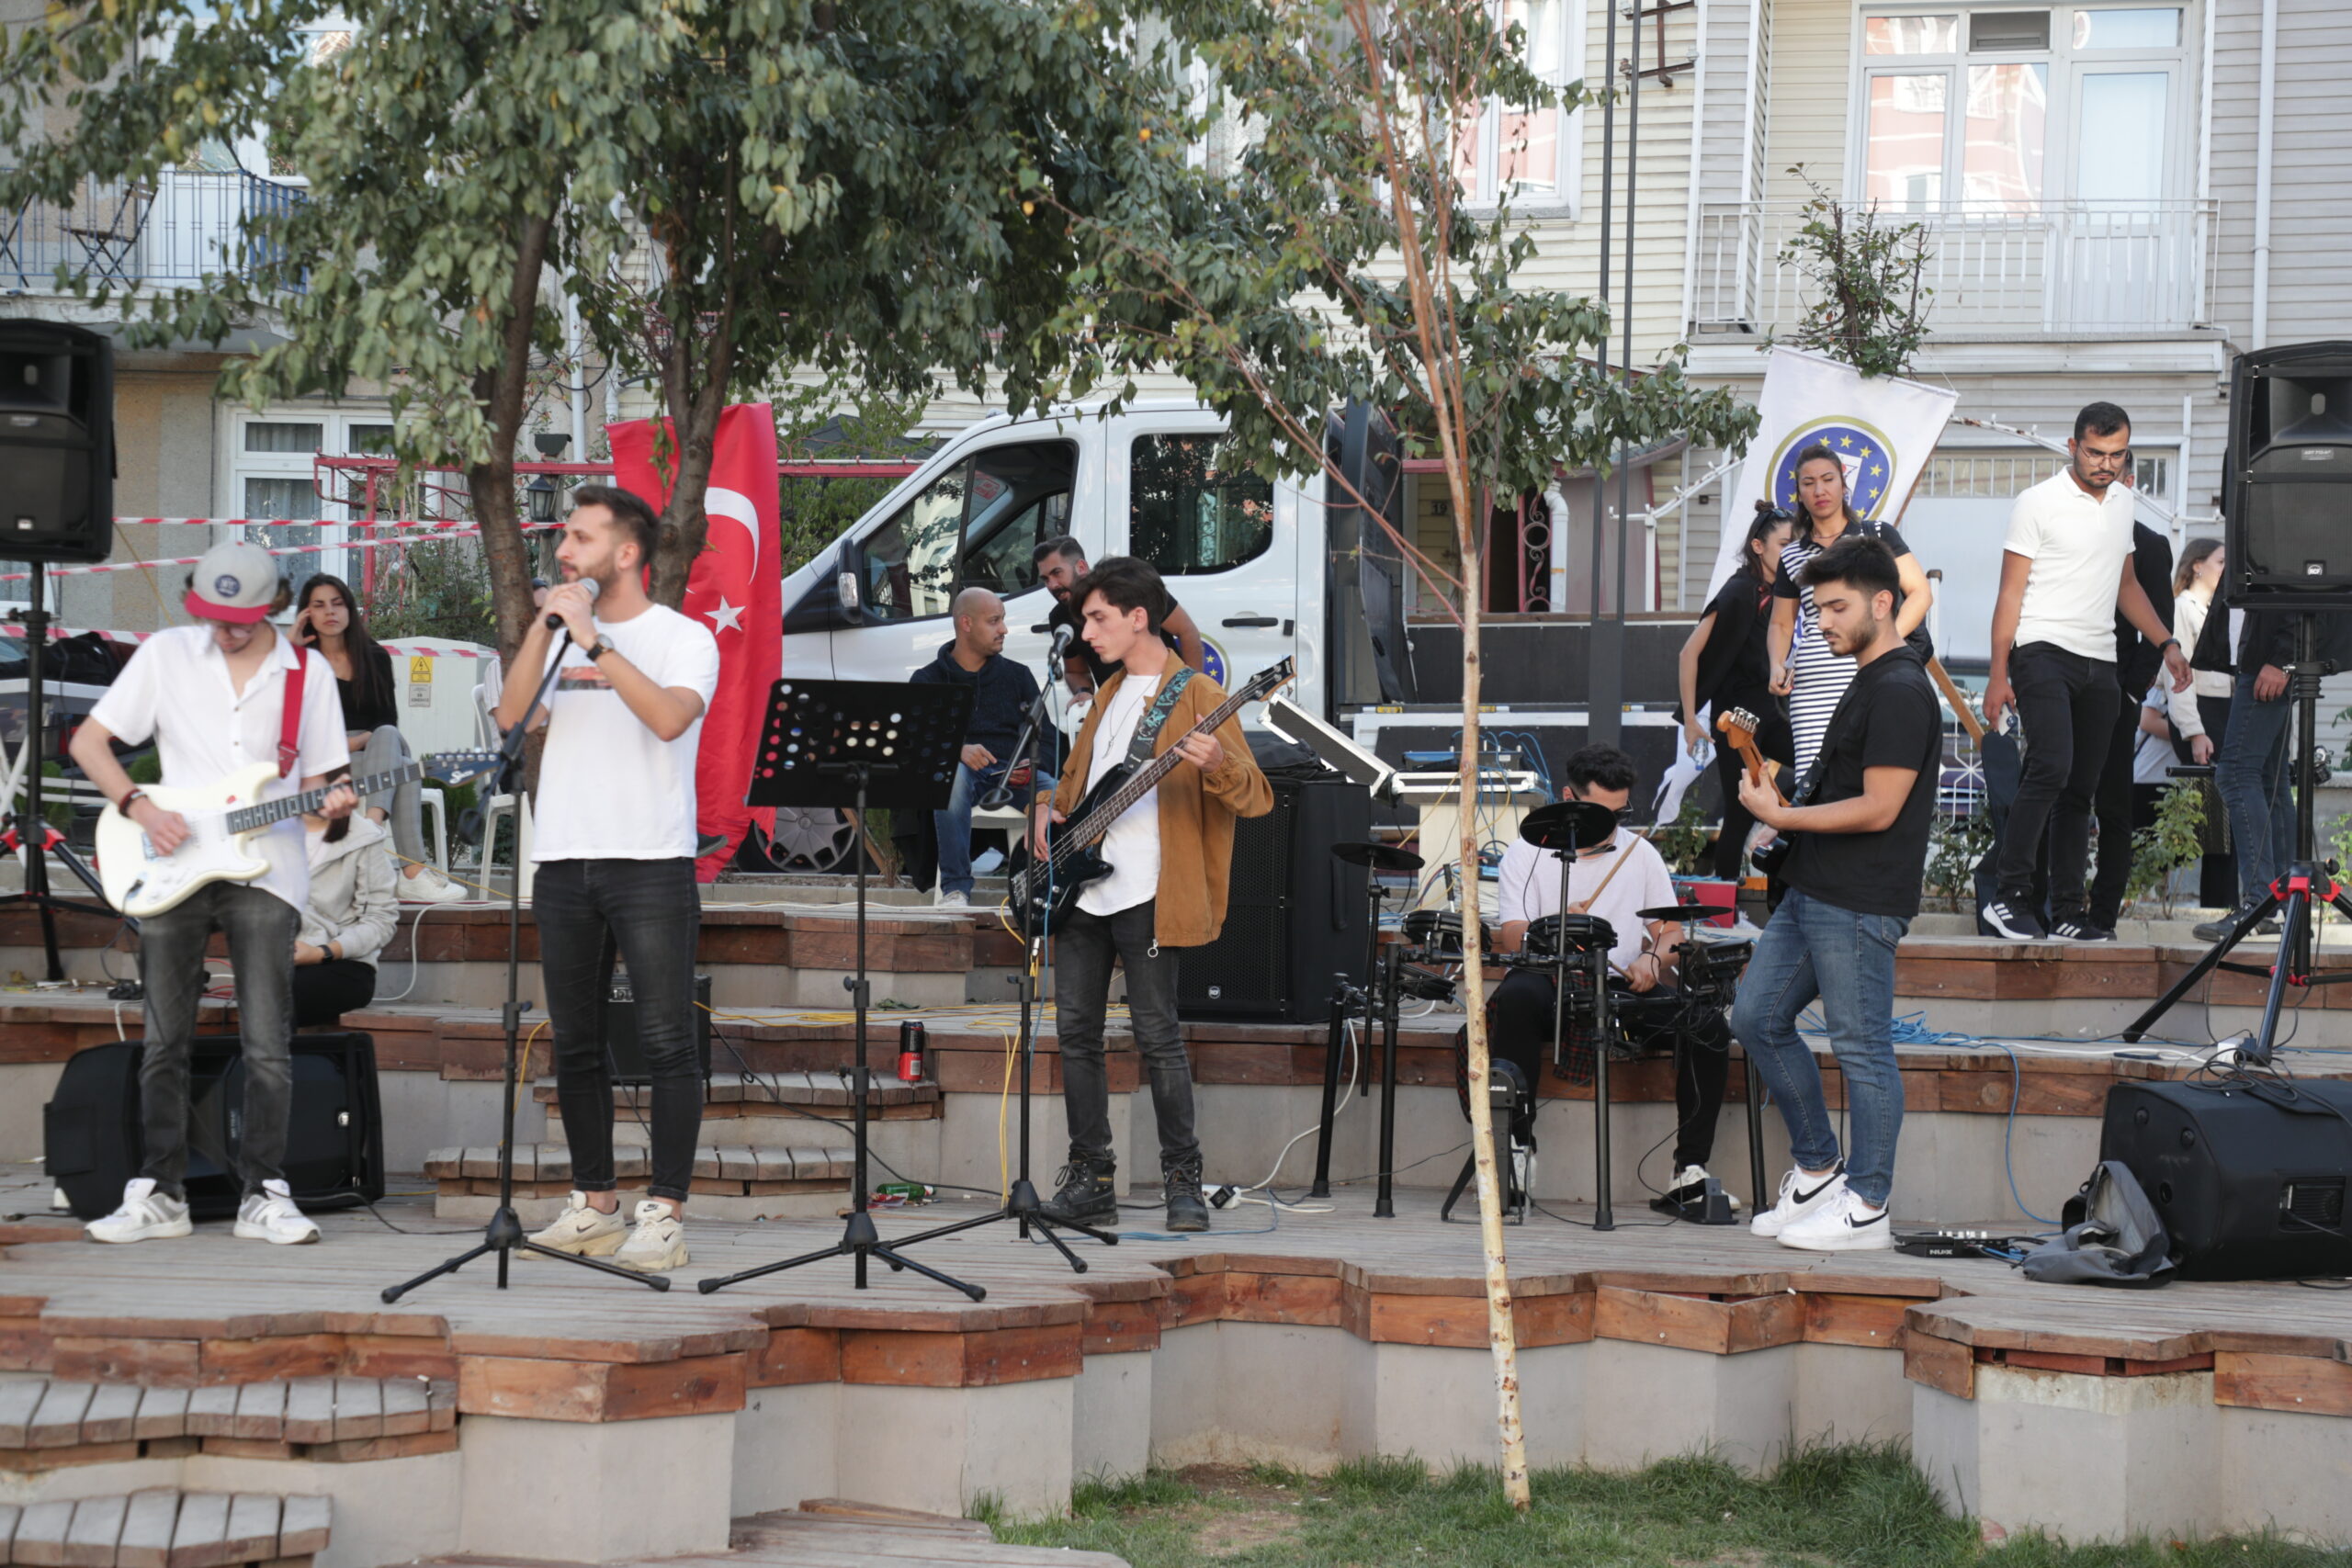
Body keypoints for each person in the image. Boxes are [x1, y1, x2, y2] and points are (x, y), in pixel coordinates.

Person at [69, 541, 360, 1246]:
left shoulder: (307, 673)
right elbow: (89, 742)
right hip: (171, 863)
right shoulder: (167, 653)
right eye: (213, 615)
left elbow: (322, 787)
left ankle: (263, 1191)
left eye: (239, 619)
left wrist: (337, 804)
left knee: (268, 1039)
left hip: (270, 868)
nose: (224, 630)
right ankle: (160, 1191)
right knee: (164, 1035)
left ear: (272, 608)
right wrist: (140, 808)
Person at [498, 484, 720, 1273]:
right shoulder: (557, 638)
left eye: (582, 538)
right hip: (561, 856)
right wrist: (546, 630)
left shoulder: (684, 636)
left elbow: (666, 717)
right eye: (564, 535)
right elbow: (510, 715)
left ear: (626, 553)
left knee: (664, 1041)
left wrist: (595, 642)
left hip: (650, 859)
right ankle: (594, 1202)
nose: (564, 549)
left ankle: (664, 1211)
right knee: (577, 1042)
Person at [1035, 557, 1272, 1233]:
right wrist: (1046, 808)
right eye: (1084, 619)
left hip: (1151, 894)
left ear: (1139, 617)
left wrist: (1221, 765)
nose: (1085, 631)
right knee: (1074, 1033)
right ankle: (1090, 1178)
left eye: (1098, 617)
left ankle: (1182, 1182)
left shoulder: (1195, 694)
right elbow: (1079, 783)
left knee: (1157, 1036)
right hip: (1084, 893)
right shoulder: (1106, 695)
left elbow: (1256, 796)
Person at [1732, 536, 1941, 1253]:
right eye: (1817, 607)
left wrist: (1783, 816)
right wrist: (1780, 794)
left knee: (1862, 1048)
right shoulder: (1866, 677)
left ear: (1884, 603)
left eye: (1835, 606)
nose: (1820, 620)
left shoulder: (1902, 688)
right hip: (1815, 884)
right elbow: (1842, 783)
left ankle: (1868, 1204)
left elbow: (1881, 806)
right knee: (1755, 1017)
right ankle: (1821, 1167)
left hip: (1859, 897)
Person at [1488, 745, 1739, 1214]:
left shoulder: (1638, 853)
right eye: (1601, 813)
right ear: (1568, 797)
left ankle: (1688, 1171)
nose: (1613, 824)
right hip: (1551, 981)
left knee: (1708, 1026)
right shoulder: (1527, 852)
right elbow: (1510, 938)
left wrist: (1652, 960)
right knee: (1517, 995)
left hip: (1620, 988)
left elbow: (1669, 931)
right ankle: (1516, 1150)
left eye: (1620, 813)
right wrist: (1556, 921)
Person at [1981, 403, 2191, 942]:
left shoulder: (2122, 504)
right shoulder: (2037, 503)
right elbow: (2009, 594)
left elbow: (2127, 587)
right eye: (2095, 453)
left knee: (2081, 789)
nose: (2104, 464)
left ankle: (2069, 911)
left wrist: (2165, 641)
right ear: (2073, 446)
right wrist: (1997, 674)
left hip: (2102, 659)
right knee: (2050, 765)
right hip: (2041, 648)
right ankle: (2009, 896)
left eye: (2115, 454)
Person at [292, 574, 463, 905]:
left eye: (337, 603)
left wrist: (361, 741)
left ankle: (369, 829)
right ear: (306, 615)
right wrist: (291, 649)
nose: (330, 612)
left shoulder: (375, 657)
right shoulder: (300, 663)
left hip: (373, 753)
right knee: (407, 770)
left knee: (388, 737)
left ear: (349, 610)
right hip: (322, 764)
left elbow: (387, 722)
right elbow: (291, 730)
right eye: (319, 605)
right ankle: (412, 874)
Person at [1767, 445, 1935, 782]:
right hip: (1812, 683)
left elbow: (1920, 593)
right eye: (1808, 483)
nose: (1819, 490)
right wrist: (1775, 664)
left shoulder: (1876, 534)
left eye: (1828, 479)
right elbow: (1781, 622)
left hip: (1872, 674)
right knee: (1812, 785)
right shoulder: (1792, 555)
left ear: (1844, 486)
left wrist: (1886, 645)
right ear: (1798, 493)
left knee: (1869, 775)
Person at [909, 586, 1055, 908]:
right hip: (963, 780)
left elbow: (1045, 736)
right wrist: (956, 750)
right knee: (952, 776)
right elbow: (915, 741)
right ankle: (956, 889)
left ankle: (1055, 886)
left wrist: (1034, 766)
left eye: (1002, 620)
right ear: (966, 623)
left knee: (1061, 791)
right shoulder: (928, 680)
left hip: (1015, 778)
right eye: (994, 621)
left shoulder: (1017, 676)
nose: (1003, 629)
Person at [1679, 503, 1796, 881]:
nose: (1792, 552)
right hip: (1736, 720)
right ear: (1758, 546)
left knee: (1818, 764)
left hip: (1769, 712)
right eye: (1784, 544)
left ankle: (1781, 827)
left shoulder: (1783, 594)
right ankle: (1726, 903)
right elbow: (1688, 653)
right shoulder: (1739, 590)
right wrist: (1689, 721)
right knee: (1740, 810)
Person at [2083, 522, 2175, 940]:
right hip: (2061, 683)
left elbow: (2159, 619)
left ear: (2132, 482)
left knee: (2114, 809)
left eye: (2116, 466)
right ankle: (2051, 907)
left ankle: (2102, 918)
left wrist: (2131, 691)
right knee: (2057, 798)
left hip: (2117, 688)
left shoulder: (2149, 544)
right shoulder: (2062, 523)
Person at [2197, 604, 2301, 942]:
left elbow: (2296, 584)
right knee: (2271, 780)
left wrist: (2283, 658)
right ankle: (2282, 906)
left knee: (2236, 774)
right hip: (2261, 659)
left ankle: (2263, 905)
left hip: (2267, 660)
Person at [292, 767, 400, 1028]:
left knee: (285, 994)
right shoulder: (266, 833)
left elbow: (381, 919)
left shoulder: (363, 837)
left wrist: (321, 953)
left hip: (344, 963)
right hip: (273, 963)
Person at [1035, 536, 1207, 689]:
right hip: (1116, 708)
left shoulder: (1131, 589)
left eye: (1057, 573)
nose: (1052, 585)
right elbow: (1075, 672)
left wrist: (1191, 690)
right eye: (1045, 579)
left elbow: (1187, 631)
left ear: (1081, 567)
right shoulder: (1060, 617)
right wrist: (1083, 694)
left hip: (1165, 696)